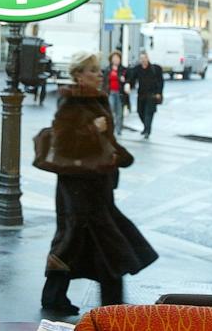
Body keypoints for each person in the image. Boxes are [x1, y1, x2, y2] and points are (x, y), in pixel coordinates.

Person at [39, 52, 158, 314]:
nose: (99, 74)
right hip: (77, 187)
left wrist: (121, 156)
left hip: (97, 184)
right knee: (103, 242)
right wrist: (93, 129)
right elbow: (63, 143)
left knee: (75, 241)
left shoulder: (98, 100)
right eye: (92, 70)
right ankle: (112, 305)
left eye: (98, 69)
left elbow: (106, 140)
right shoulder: (71, 102)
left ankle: (54, 296)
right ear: (79, 75)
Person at [129, 51, 163, 139]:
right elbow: (132, 78)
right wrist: (128, 85)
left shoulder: (155, 69)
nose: (143, 60)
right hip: (141, 95)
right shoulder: (138, 69)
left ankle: (147, 131)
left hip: (152, 95)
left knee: (148, 113)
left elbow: (160, 81)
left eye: (145, 58)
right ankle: (146, 127)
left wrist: (159, 92)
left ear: (148, 58)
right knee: (140, 112)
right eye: (141, 59)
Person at [101, 51, 127, 135]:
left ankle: (119, 129)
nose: (116, 60)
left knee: (119, 112)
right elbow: (104, 81)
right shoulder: (108, 69)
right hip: (110, 92)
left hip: (119, 93)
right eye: (114, 58)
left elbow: (128, 80)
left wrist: (124, 81)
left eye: (117, 58)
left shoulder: (123, 70)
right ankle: (110, 128)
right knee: (110, 110)